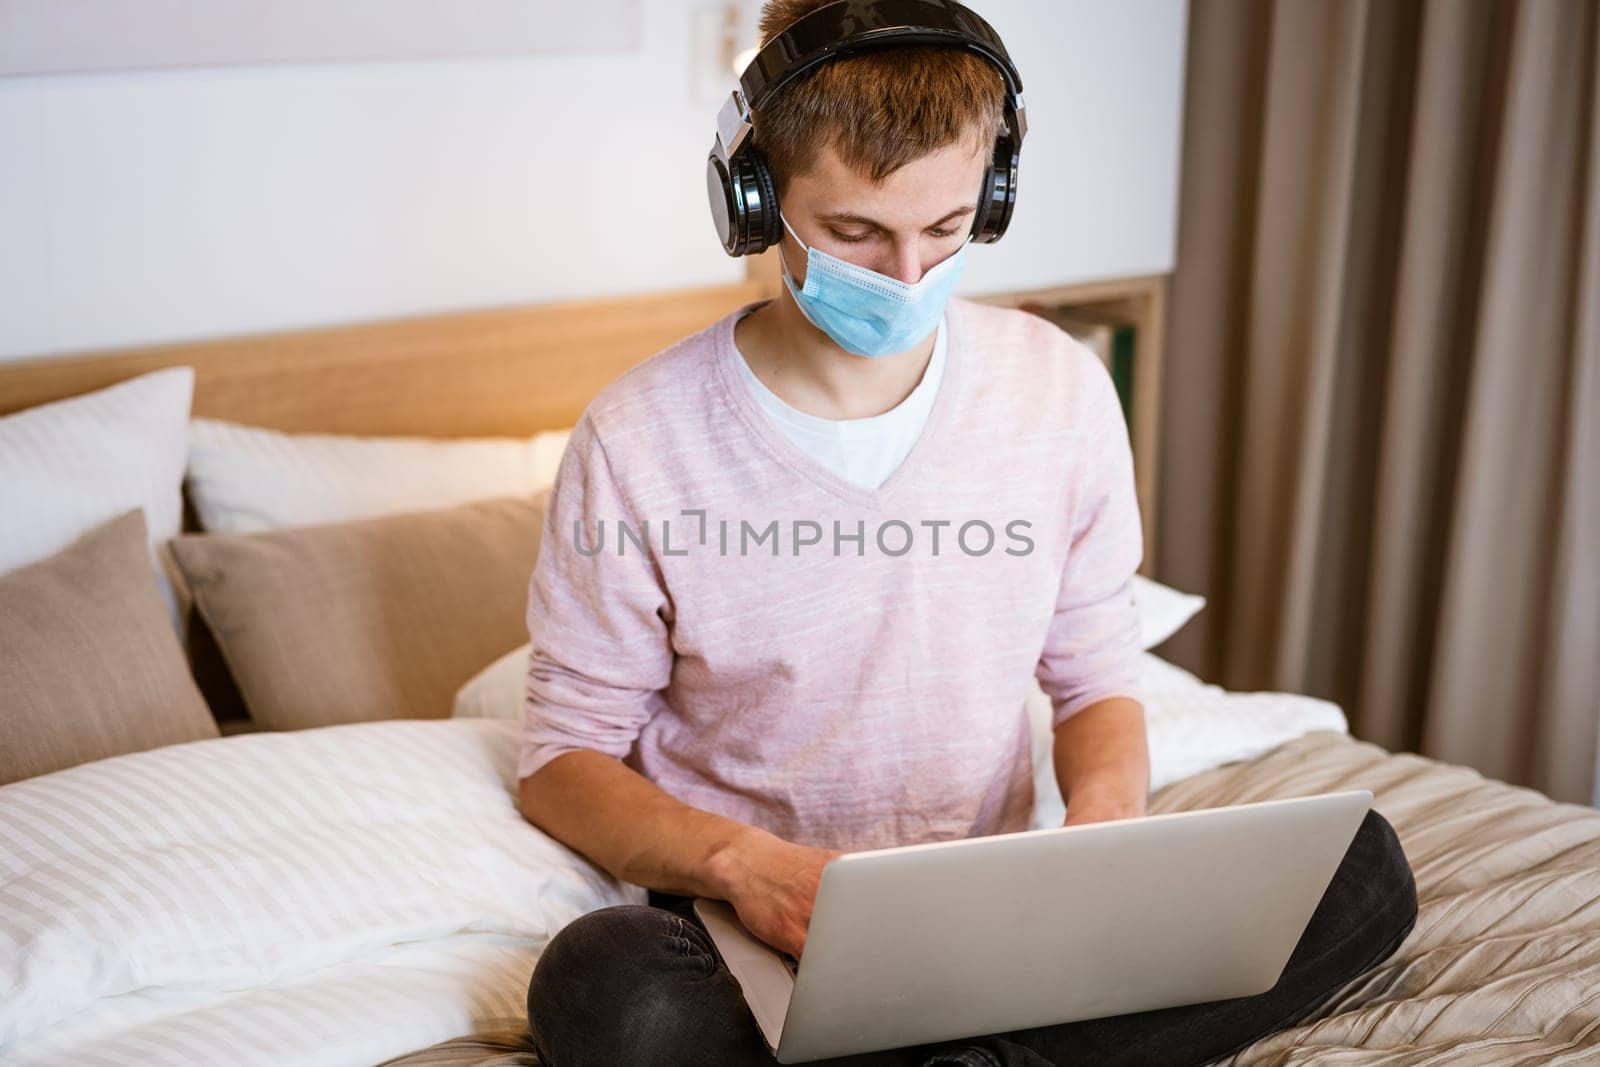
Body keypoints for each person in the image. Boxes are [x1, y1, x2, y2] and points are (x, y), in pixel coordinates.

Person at [516, 1, 1418, 1063]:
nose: (908, 277)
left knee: (1363, 866)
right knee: (605, 988)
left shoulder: (1060, 388)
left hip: (998, 905)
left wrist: (1105, 827)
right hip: (746, 917)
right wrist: (744, 864)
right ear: (754, 199)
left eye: (944, 232)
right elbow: (561, 759)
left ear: (990, 198)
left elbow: (1094, 680)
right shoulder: (640, 437)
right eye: (856, 232)